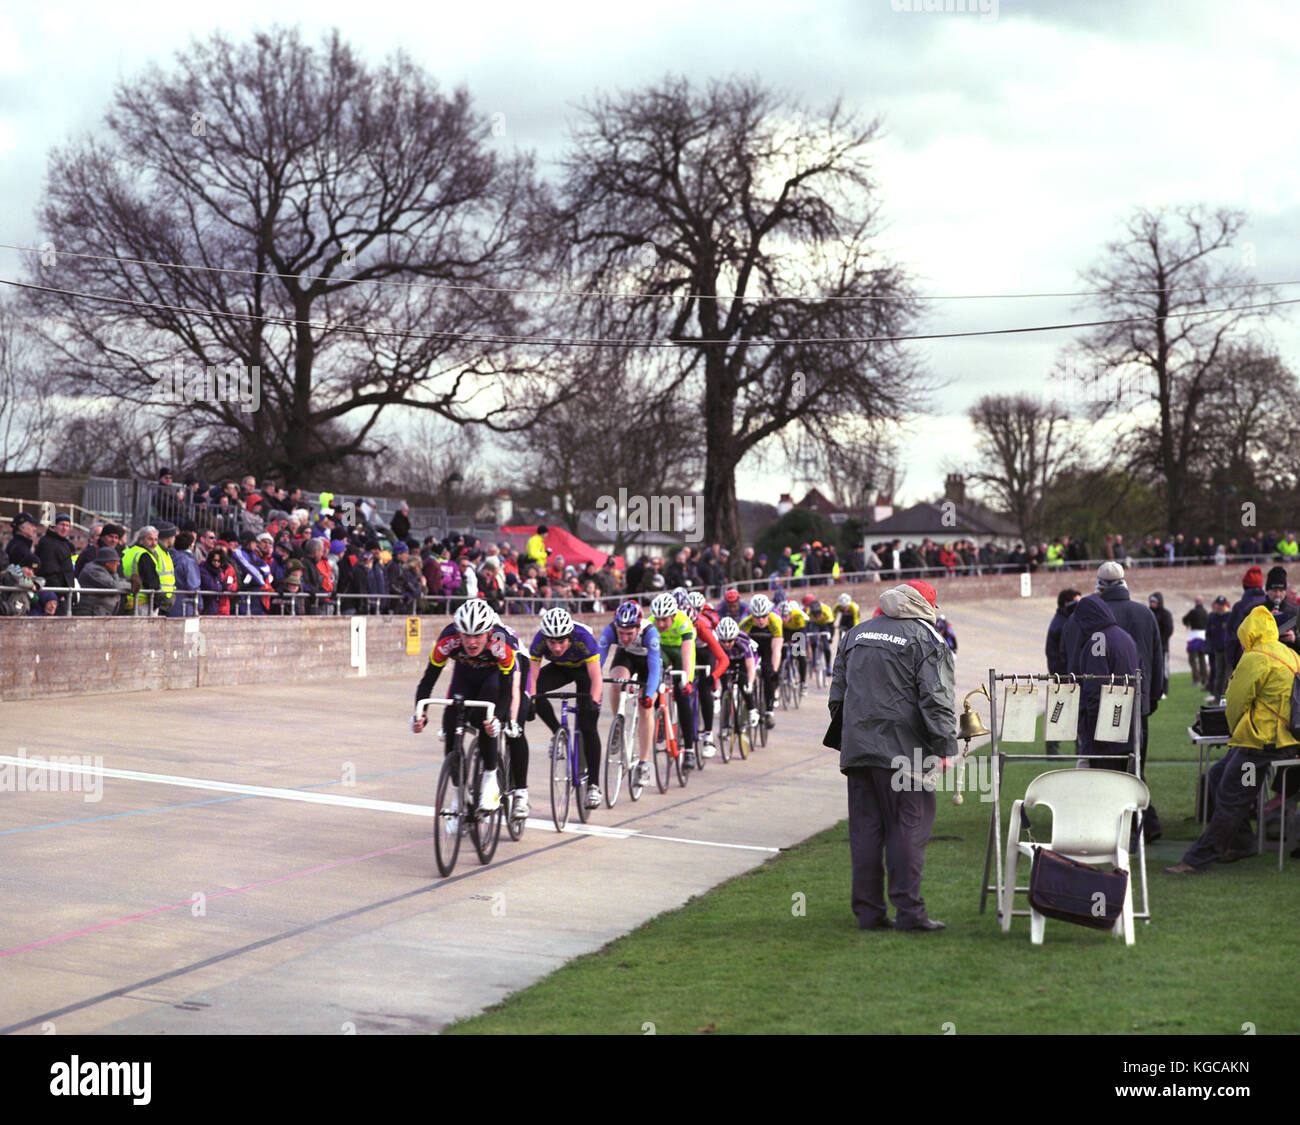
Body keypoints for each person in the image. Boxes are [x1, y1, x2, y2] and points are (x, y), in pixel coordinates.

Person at [828, 579, 955, 932]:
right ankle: (910, 913)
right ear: (925, 605)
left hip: (859, 751)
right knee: (908, 829)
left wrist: (855, 736)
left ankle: (869, 913)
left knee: (866, 832)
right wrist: (945, 749)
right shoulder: (927, 639)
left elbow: (837, 697)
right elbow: (937, 700)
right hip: (905, 754)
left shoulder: (855, 633)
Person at [1166, 605, 1300, 873]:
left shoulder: (1254, 657)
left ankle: (1197, 859)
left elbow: (1236, 702)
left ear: (1248, 633)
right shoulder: (1290, 654)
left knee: (1231, 795)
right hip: (1287, 743)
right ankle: (1241, 842)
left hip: (1261, 744)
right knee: (1217, 777)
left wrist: (1234, 728)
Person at [1062, 562, 1163, 842]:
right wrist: (1152, 697)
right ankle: (1141, 822)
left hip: (1102, 711)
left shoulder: (1089, 622)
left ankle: (1110, 826)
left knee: (1101, 768)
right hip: (1136, 705)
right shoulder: (1144, 615)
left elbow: (1078, 665)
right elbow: (1156, 656)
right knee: (1133, 767)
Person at [411, 599, 517, 812]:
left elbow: (507, 691)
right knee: (450, 721)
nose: (471, 642)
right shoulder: (447, 640)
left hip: (492, 679)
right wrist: (420, 713)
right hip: (465, 677)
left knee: (487, 717)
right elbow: (427, 681)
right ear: (458, 632)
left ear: (489, 632)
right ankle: (457, 796)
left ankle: (489, 778)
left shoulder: (501, 642)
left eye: (478, 635)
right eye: (466, 635)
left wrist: (499, 717)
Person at [526, 607, 605, 807]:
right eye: (552, 642)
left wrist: (594, 702)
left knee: (588, 726)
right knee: (536, 693)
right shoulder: (539, 640)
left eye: (561, 641)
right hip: (559, 669)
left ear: (569, 637)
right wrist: (531, 701)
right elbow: (532, 677)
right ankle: (558, 731)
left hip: (583, 672)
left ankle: (594, 785)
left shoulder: (583, 637)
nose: (557, 647)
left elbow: (596, 676)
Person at [1148, 592, 1174, 699]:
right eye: (1151, 601)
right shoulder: (1149, 613)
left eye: (1154, 601)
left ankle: (1164, 690)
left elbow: (1169, 630)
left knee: (1164, 670)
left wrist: (1159, 640)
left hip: (1163, 648)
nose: (1152, 603)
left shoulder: (1165, 614)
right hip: (1151, 648)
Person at [1182, 595, 1210, 688]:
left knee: (1192, 660)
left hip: (1194, 637)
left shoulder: (1192, 612)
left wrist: (1187, 624)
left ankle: (1196, 679)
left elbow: (1184, 620)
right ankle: (1205, 679)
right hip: (1203, 637)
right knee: (1202, 659)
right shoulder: (1206, 612)